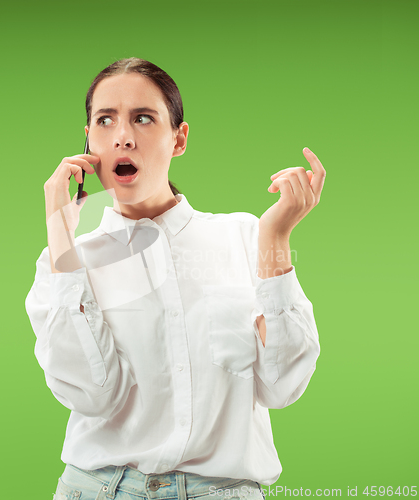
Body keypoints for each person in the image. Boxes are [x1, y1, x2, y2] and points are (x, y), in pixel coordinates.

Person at [25, 57, 325, 500]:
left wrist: (277, 236)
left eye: (143, 118)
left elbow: (283, 386)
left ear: (178, 138)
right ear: (88, 141)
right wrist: (59, 229)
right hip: (98, 489)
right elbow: (92, 396)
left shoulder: (245, 236)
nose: (123, 135)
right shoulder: (68, 260)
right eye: (105, 120)